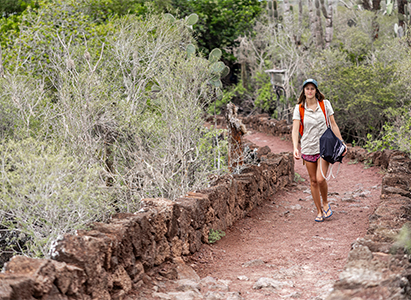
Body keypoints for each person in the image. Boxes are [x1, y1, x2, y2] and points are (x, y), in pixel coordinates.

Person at [292, 79, 347, 223]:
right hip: (308, 147)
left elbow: (333, 124)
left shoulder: (325, 104)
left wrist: (341, 142)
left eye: (312, 88)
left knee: (321, 178)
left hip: (324, 147)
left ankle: (325, 202)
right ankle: (318, 210)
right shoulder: (299, 108)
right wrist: (295, 147)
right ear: (304, 91)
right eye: (307, 88)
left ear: (316, 90)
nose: (309, 91)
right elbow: (295, 130)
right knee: (313, 181)